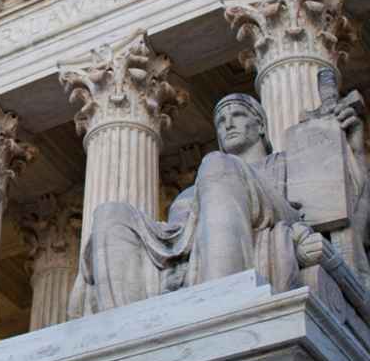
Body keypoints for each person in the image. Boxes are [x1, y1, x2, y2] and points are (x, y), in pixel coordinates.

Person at [74, 92, 368, 315]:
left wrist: (350, 152)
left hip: (280, 220)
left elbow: (343, 211)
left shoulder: (284, 165)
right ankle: (128, 329)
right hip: (187, 244)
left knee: (219, 166)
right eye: (221, 121)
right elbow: (177, 234)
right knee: (110, 214)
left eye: (238, 115)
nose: (228, 124)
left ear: (261, 125)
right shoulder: (198, 187)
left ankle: (217, 308)